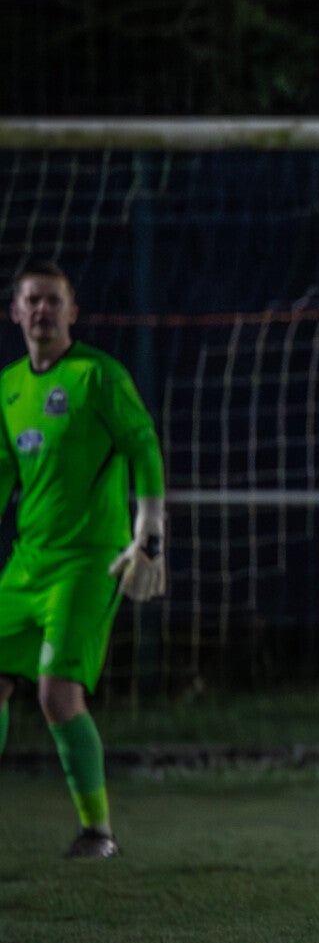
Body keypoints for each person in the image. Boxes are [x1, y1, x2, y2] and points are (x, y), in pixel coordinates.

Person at [0, 259, 168, 859]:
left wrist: (149, 528)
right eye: (32, 300)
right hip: (27, 563)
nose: (42, 310)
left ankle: (98, 831)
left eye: (53, 300)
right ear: (15, 311)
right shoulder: (9, 387)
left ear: (73, 311)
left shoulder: (99, 376)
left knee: (55, 695)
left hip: (88, 561)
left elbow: (142, 444)